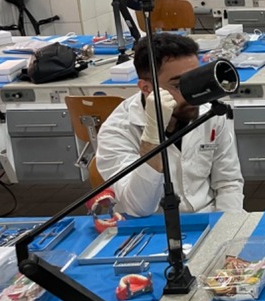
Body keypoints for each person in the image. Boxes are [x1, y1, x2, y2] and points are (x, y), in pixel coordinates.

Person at [95, 34, 244, 217]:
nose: (193, 94)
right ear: (146, 88)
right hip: (152, 225)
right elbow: (139, 207)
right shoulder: (117, 131)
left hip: (208, 216)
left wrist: (227, 225)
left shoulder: (211, 112)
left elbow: (228, 182)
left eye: (194, 79)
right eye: (179, 85)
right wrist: (152, 135)